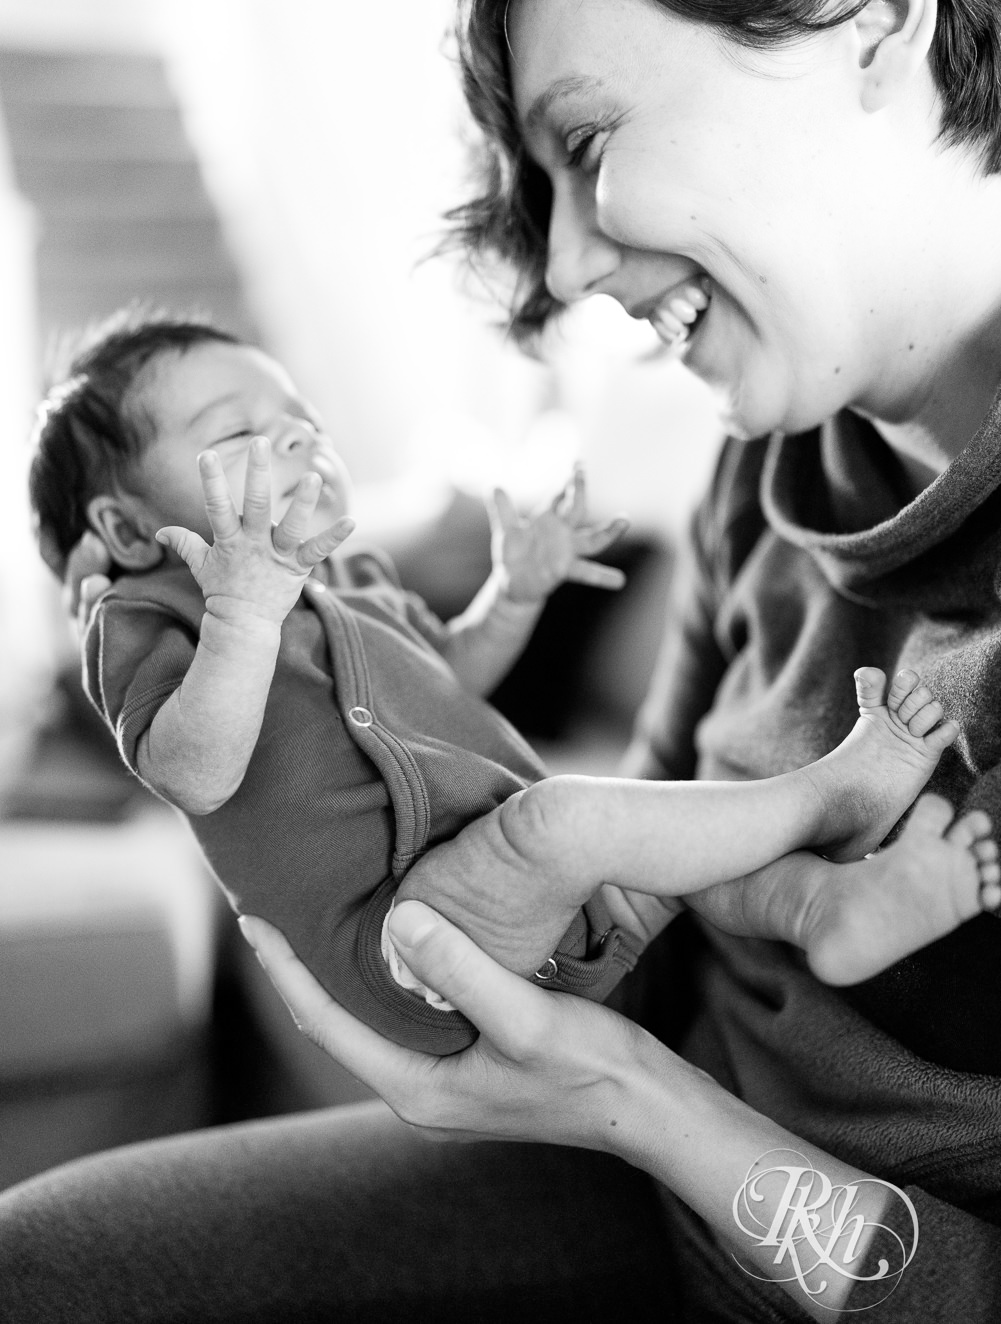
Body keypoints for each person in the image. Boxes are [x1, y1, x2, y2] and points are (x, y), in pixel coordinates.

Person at [3, 0, 1001, 1318]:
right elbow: (655, 876)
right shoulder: (764, 474)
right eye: (546, 190)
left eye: (589, 147)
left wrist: (629, 1101)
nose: (576, 269)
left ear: (872, 19)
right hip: (621, 1171)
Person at [29, 317, 993, 1061]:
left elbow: (449, 672)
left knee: (663, 843)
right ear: (121, 531)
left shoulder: (347, 585)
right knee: (560, 819)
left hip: (515, 915)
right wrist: (242, 616)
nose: (293, 445)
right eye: (242, 431)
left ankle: (820, 913)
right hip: (408, 953)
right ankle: (831, 791)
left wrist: (512, 594)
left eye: (301, 425)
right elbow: (192, 773)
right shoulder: (149, 618)